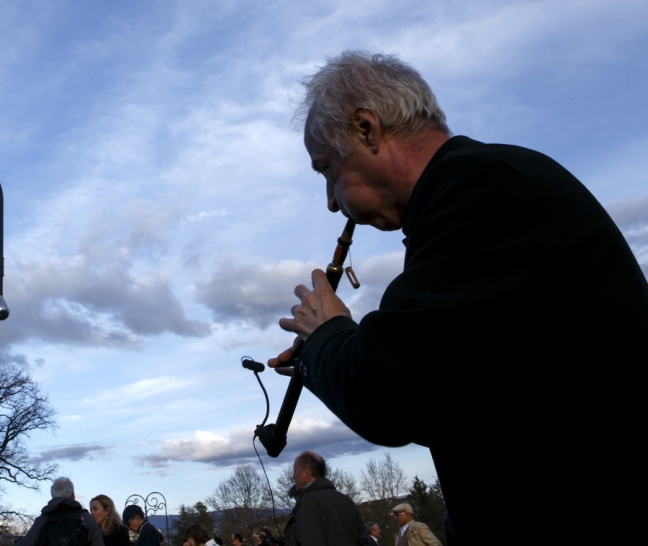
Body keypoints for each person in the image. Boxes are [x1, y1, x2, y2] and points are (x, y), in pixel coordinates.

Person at [268, 51, 648, 542]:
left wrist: (326, 332)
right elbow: (449, 404)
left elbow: (390, 395)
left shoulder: (481, 188)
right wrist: (317, 357)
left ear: (367, 129)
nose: (330, 201)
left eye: (327, 171)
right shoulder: (480, 188)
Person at [283, 451, 366, 546]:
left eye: (295, 471)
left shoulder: (308, 502)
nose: (293, 476)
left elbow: (309, 541)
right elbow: (364, 540)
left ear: (306, 472)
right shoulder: (346, 500)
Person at [16, 477, 103, 546]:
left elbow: (26, 543)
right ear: (73, 496)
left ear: (53, 496)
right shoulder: (87, 519)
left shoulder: (42, 520)